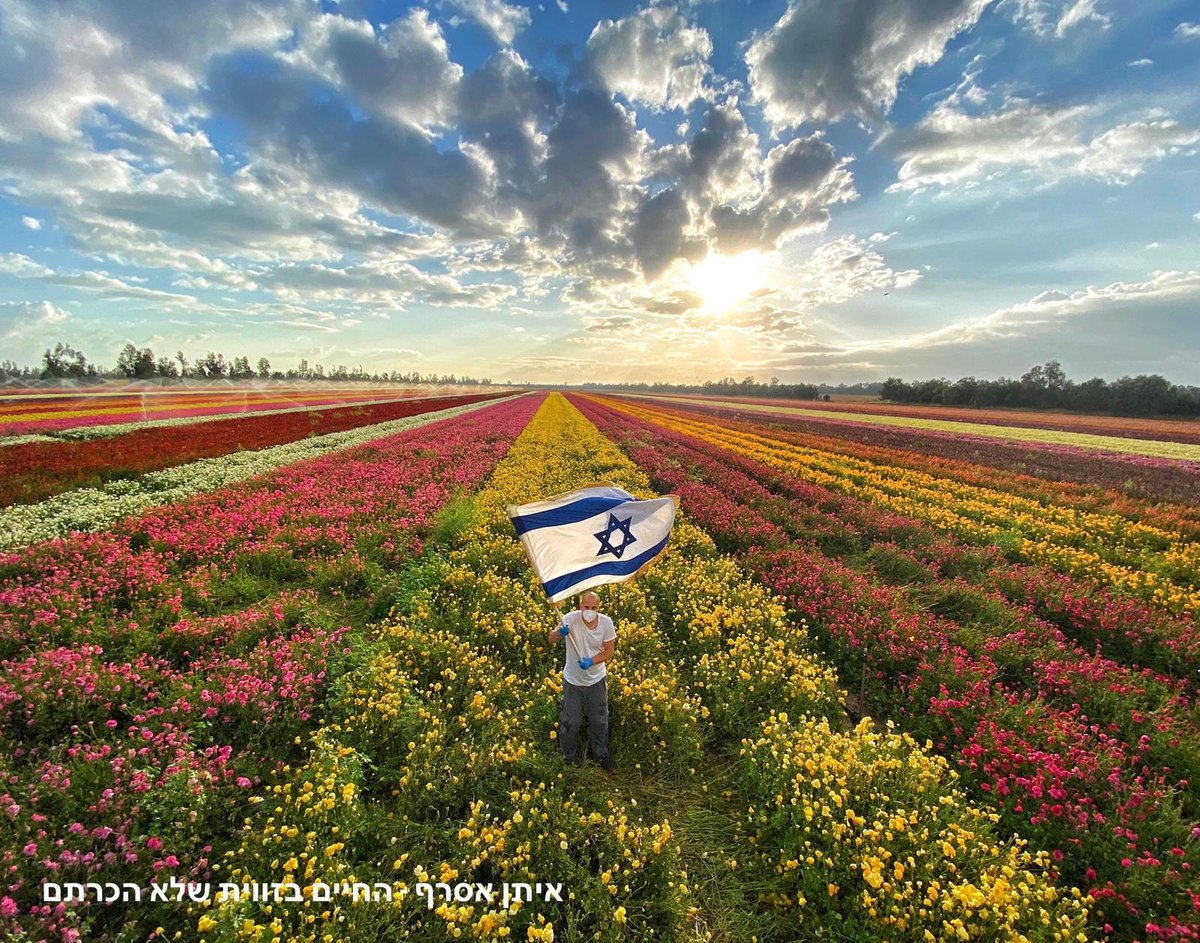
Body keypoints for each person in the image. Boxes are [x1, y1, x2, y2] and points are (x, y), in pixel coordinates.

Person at [548, 590, 616, 772]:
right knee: (571, 722)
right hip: (573, 681)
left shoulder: (606, 623)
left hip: (596, 680)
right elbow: (551, 639)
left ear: (598, 608)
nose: (590, 610)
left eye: (593, 607)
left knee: (599, 721)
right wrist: (559, 633)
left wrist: (591, 661)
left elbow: (609, 651)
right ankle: (568, 758)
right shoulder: (570, 618)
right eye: (587, 607)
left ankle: (601, 755)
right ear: (580, 606)